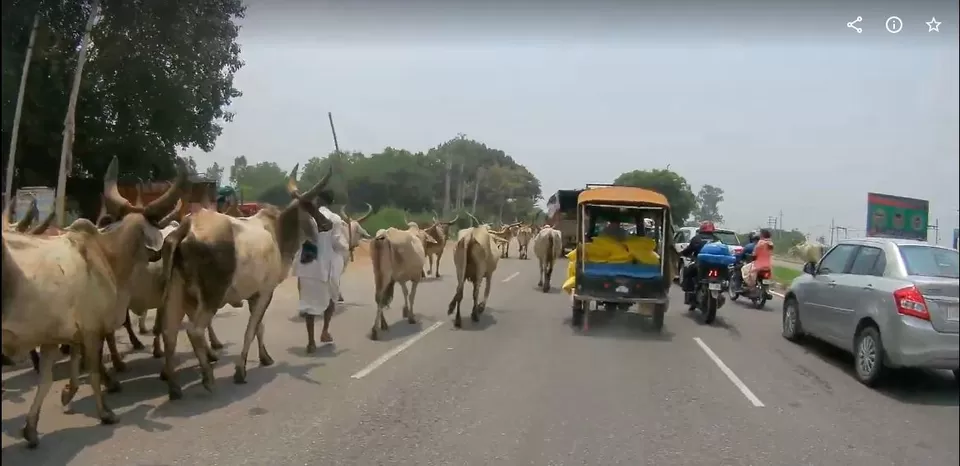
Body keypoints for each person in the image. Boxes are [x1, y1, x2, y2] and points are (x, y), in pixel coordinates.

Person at [293, 189, 348, 352]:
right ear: (331, 202)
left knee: (309, 304)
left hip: (307, 266)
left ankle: (311, 342)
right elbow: (337, 243)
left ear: (317, 200)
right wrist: (347, 246)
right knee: (331, 298)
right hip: (327, 267)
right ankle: (324, 331)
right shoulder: (335, 219)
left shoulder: (306, 217)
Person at [679, 220, 720, 292]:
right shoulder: (717, 239)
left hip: (700, 264)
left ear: (701, 228)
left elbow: (689, 250)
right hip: (716, 265)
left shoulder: (696, 238)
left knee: (688, 272)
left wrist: (682, 253)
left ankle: (690, 292)